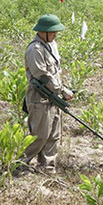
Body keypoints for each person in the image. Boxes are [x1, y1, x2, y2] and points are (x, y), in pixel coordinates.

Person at [23, 14, 74, 174]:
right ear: (43, 32)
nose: (55, 35)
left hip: (52, 98)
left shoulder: (49, 46)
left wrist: (60, 91)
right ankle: (20, 164)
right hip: (39, 99)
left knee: (53, 135)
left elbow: (55, 73)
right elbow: (43, 76)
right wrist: (62, 90)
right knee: (39, 136)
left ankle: (47, 168)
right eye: (52, 32)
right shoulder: (35, 50)